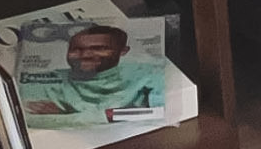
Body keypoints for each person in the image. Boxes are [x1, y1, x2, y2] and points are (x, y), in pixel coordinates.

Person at [21, 24, 160, 125]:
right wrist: (110, 115)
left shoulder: (146, 74)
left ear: (123, 51)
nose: (85, 55)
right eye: (76, 49)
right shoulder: (43, 80)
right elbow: (23, 120)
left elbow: (157, 111)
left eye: (99, 48)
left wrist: (65, 116)